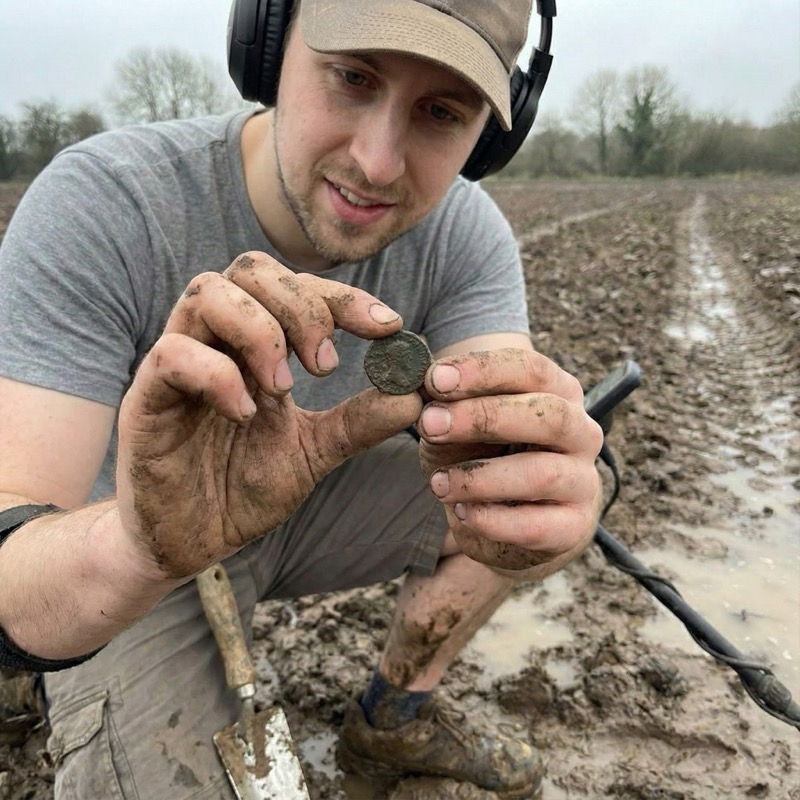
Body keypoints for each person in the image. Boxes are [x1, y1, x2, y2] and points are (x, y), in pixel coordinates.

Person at [0, 0, 603, 797]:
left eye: (442, 111)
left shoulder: (466, 234)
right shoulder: (107, 201)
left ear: (495, 132)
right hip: (132, 541)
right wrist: (137, 547)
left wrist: (547, 502)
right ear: (269, 43)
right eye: (353, 76)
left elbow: (507, 446)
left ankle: (393, 719)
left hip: (307, 502)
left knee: (543, 480)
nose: (379, 161)